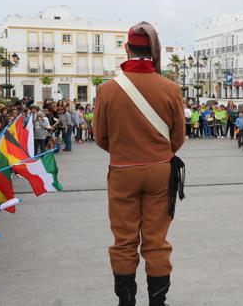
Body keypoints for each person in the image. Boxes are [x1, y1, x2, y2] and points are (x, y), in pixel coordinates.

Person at [93, 21, 185, 306]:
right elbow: (178, 138)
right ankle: (158, 302)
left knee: (124, 239)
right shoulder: (170, 88)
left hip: (122, 171)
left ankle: (126, 301)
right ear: (153, 51)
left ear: (127, 48)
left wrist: (124, 151)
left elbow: (100, 137)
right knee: (156, 240)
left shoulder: (108, 89)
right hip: (159, 171)